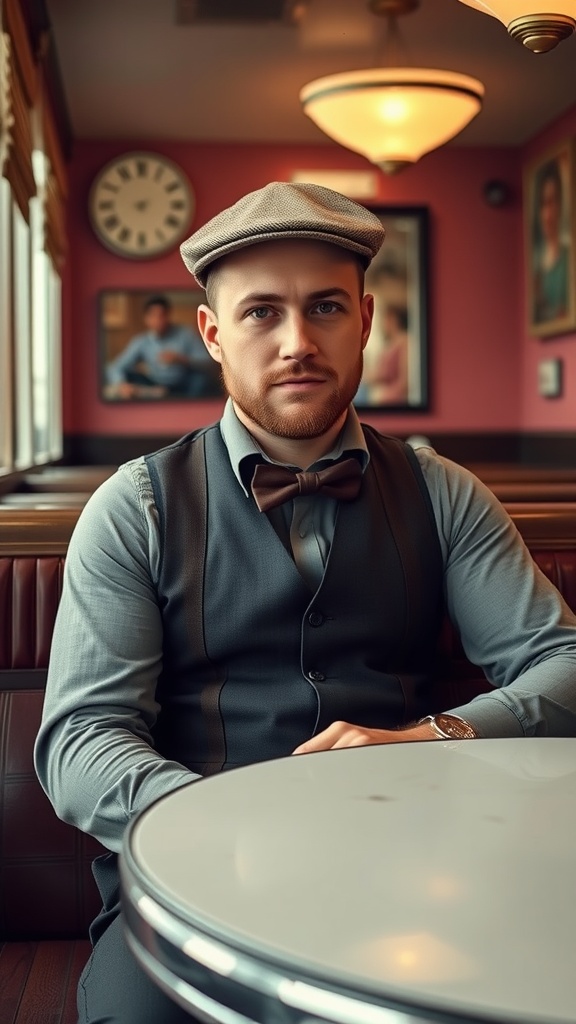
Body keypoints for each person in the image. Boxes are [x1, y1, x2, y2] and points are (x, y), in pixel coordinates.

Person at [35, 181, 576, 1024]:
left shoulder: (443, 491)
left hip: (422, 861)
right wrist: (220, 821)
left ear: (363, 319)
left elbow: (565, 663)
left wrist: (436, 736)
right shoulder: (134, 506)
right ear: (213, 334)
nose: (297, 342)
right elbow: (80, 741)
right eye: (260, 313)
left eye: (324, 307)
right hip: (195, 883)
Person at [105, 293, 219, 398]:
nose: (158, 320)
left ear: (168, 315)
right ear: (146, 319)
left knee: (201, 380)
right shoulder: (141, 341)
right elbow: (115, 367)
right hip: (154, 383)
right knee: (129, 377)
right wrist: (121, 384)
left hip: (183, 382)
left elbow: (207, 361)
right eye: (153, 316)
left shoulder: (186, 334)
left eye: (161, 315)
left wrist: (182, 359)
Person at [531, 159, 570, 326]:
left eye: (552, 202)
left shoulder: (569, 258)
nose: (548, 214)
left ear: (561, 204)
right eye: (543, 204)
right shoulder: (535, 261)